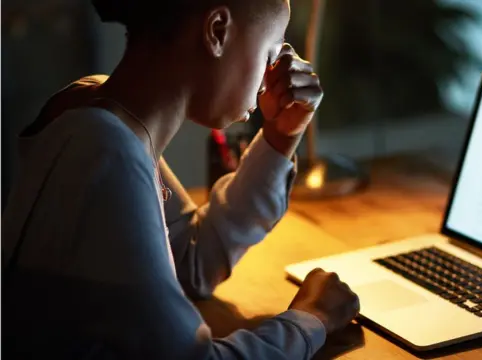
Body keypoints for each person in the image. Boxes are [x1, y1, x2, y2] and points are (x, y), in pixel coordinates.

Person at [1, 0, 360, 358]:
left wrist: (282, 135)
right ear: (217, 31)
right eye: (269, 54)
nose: (270, 81)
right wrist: (311, 320)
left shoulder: (103, 115)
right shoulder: (107, 150)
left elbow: (192, 262)